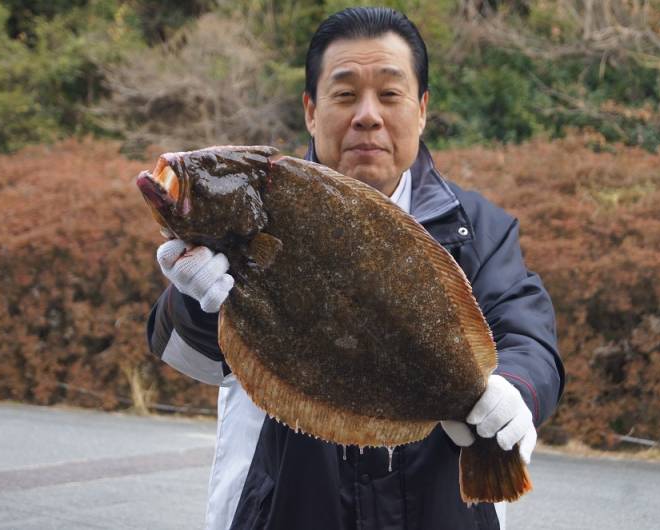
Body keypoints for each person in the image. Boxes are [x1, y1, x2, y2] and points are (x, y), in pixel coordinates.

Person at [146, 7, 564, 530]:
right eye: (345, 95)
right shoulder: (250, 222)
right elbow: (193, 359)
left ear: (422, 109)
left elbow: (528, 334)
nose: (368, 115)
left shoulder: (477, 228)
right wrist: (195, 300)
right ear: (311, 111)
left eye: (390, 94)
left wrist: (514, 389)